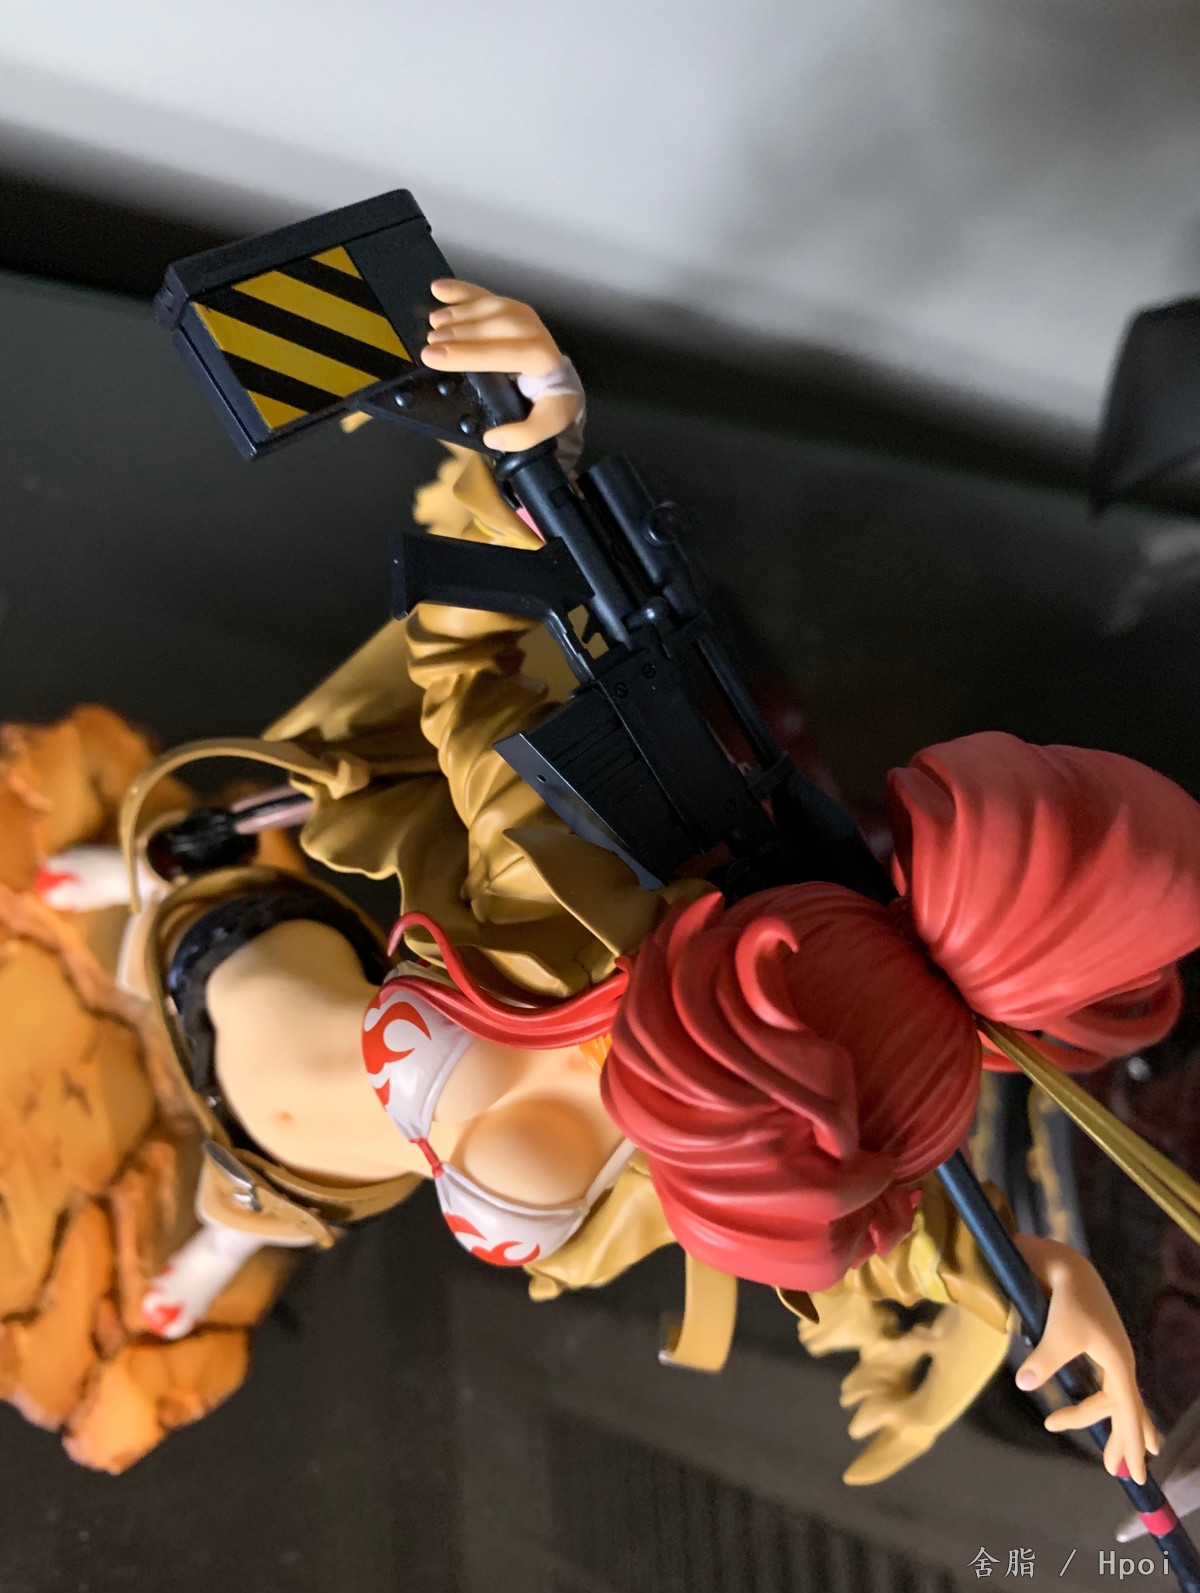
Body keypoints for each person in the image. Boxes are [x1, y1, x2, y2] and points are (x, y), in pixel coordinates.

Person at [9, 281, 1198, 1486]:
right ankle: (145, 869)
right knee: (181, 875)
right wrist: (533, 450)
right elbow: (473, 661)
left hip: (318, 1176)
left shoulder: (740, 1163)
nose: (725, 1170)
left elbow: (893, 1229)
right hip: (245, 967)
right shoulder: (559, 909)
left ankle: (217, 1240)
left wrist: (1038, 1274)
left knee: (239, 1210)